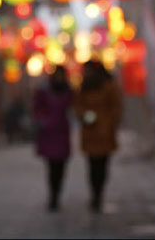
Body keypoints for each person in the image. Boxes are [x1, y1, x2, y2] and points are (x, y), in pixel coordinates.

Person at [73, 59, 122, 213]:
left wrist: (109, 122)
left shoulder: (109, 85)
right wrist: (83, 116)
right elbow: (78, 105)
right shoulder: (84, 87)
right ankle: (95, 194)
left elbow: (116, 107)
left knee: (102, 166)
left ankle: (99, 193)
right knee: (92, 166)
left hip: (105, 132)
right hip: (90, 132)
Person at [32, 66, 72, 211]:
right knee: (51, 167)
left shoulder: (68, 90)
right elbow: (37, 108)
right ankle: (53, 196)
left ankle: (57, 193)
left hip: (62, 133)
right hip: (49, 133)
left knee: (61, 167)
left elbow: (74, 107)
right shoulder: (44, 91)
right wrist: (43, 121)